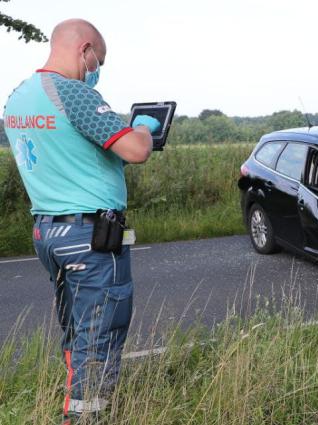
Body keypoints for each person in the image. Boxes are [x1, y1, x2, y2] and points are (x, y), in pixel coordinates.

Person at [2, 19, 160, 423]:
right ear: (84, 49)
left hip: (48, 232)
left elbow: (67, 150)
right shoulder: (72, 93)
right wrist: (143, 128)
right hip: (90, 234)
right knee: (101, 332)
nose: (96, 69)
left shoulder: (18, 98)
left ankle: (73, 400)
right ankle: (86, 415)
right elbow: (136, 150)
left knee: (76, 327)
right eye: (98, 61)